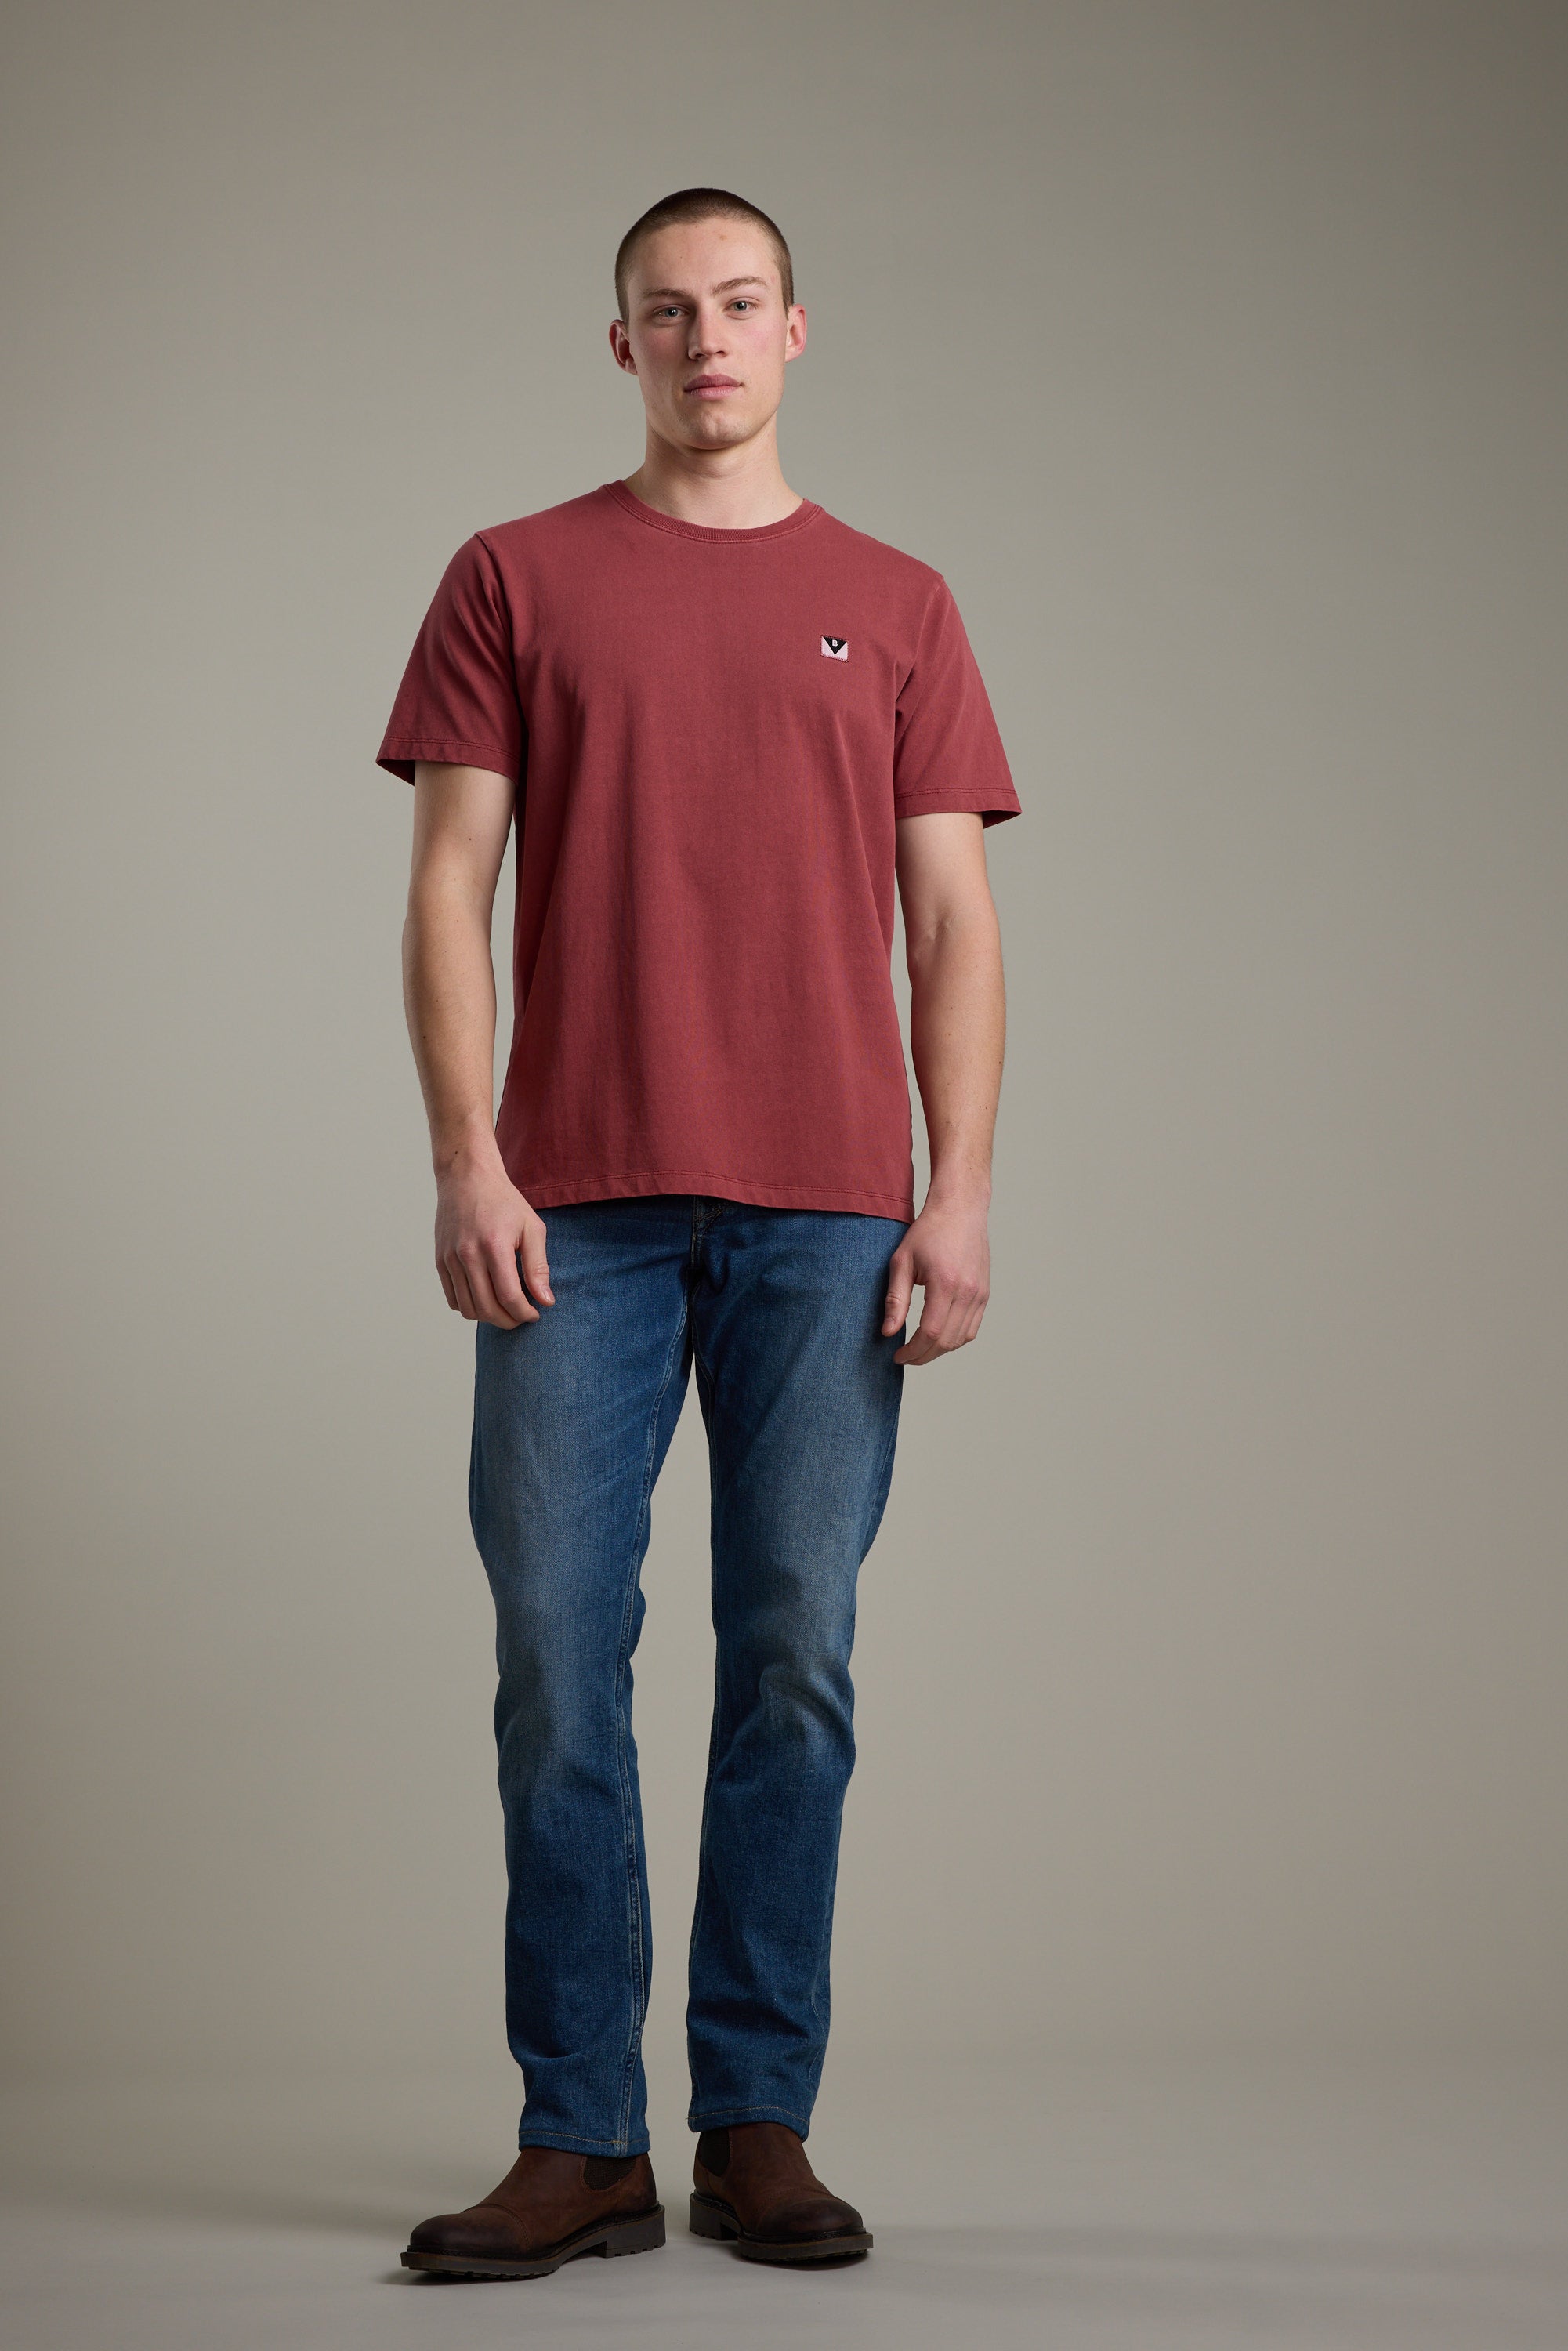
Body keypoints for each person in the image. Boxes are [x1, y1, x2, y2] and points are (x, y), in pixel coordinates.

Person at [377, 187, 1019, 2281]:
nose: (706, 338)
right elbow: (448, 887)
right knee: (559, 1666)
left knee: (792, 1660)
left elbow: (951, 922)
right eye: (668, 311)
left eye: (740, 304)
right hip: (575, 1209)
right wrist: (466, 1160)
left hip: (828, 1213)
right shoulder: (515, 575)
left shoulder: (898, 602)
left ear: (794, 332)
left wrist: (958, 1189)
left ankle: (755, 2122)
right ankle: (581, 2140)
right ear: (622, 345)